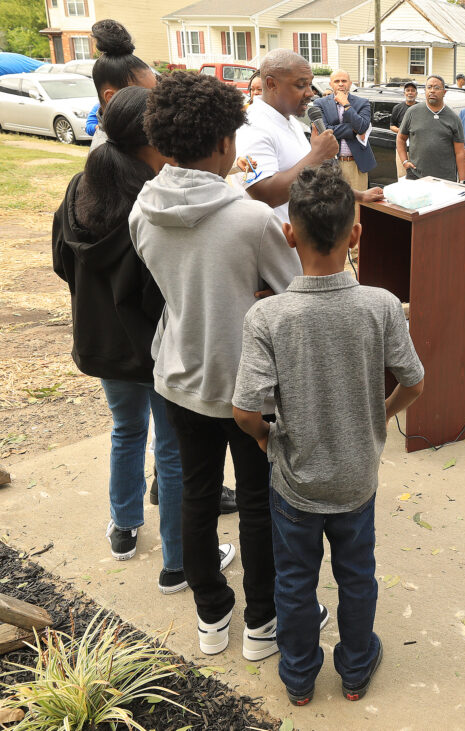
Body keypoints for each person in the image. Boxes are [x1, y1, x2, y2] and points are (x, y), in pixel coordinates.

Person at [130, 71, 320, 659]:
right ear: (221, 146)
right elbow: (297, 293)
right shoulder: (249, 218)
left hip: (178, 374)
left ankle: (211, 615)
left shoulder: (143, 206)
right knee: (260, 503)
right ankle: (263, 622)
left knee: (194, 494)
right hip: (250, 388)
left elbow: (176, 284)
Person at [232, 162, 424, 706]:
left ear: (288, 235)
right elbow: (414, 381)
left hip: (296, 484)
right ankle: (356, 669)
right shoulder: (381, 305)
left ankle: (298, 678)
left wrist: (269, 440)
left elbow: (245, 411)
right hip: (357, 479)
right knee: (357, 576)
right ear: (356, 234)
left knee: (294, 582)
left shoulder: (268, 318)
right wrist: (378, 417)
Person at [53, 86, 200, 594]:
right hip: (157, 346)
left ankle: (123, 529)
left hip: (101, 344)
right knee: (174, 450)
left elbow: (61, 263)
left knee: (126, 432)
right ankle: (178, 563)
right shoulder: (156, 201)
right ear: (152, 137)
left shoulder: (78, 188)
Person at [236, 50, 340, 223]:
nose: (310, 93)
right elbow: (265, 195)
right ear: (271, 84)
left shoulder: (288, 119)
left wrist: (359, 195)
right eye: (301, 85)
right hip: (274, 243)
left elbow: (304, 176)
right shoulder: (252, 126)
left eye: (310, 84)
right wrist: (317, 156)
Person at [87, 20, 158, 151]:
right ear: (112, 98)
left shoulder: (140, 138)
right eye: (146, 99)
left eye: (155, 94)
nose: (155, 106)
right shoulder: (107, 157)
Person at [312, 69, 375, 192]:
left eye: (344, 81)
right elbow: (323, 131)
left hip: (356, 164)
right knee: (334, 204)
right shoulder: (320, 103)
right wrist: (352, 129)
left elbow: (362, 127)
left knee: (357, 205)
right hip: (331, 163)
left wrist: (346, 104)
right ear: (331, 84)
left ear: (350, 83)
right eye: (337, 81)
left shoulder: (363, 103)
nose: (341, 84)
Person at [397, 75, 465, 183]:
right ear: (425, 91)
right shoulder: (412, 112)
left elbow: (460, 152)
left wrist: (462, 181)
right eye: (429, 87)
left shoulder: (453, 118)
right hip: (416, 176)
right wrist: (405, 161)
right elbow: (401, 138)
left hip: (445, 180)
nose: (432, 91)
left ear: (444, 92)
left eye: (436, 88)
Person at [390, 82, 418, 178]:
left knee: (419, 177)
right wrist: (403, 132)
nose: (410, 93)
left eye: (413, 91)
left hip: (418, 149)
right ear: (404, 93)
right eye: (408, 90)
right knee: (402, 177)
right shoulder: (397, 108)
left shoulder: (421, 108)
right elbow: (391, 126)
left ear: (416, 93)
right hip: (402, 148)